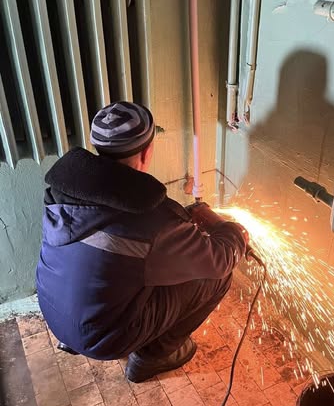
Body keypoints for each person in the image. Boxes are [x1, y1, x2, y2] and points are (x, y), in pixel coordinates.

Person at [36, 101, 248, 382]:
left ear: (98, 148)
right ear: (147, 151)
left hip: (55, 313)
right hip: (103, 339)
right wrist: (235, 233)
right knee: (217, 278)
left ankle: (77, 337)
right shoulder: (154, 218)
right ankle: (153, 357)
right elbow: (218, 260)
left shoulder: (61, 191)